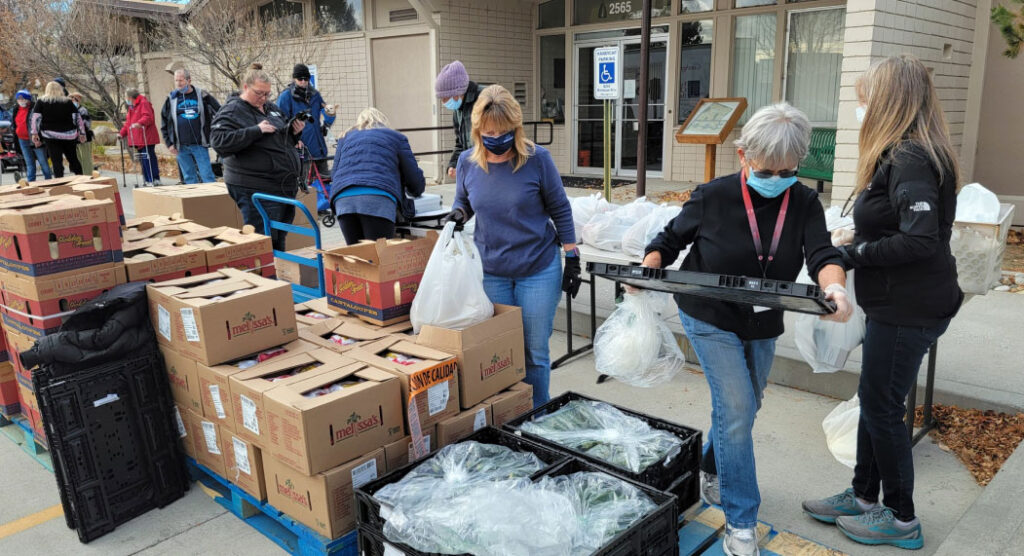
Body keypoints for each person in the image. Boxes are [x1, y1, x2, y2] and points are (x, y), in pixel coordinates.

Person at [640, 103, 852, 556]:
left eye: (786, 170)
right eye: (766, 168)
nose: (775, 179)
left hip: (762, 319)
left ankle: (712, 467)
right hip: (708, 314)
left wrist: (835, 290)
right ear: (743, 156)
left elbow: (822, 254)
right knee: (735, 407)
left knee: (745, 406)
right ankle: (741, 523)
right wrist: (650, 265)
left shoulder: (805, 201)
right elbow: (670, 238)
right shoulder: (713, 195)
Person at [801, 55, 963, 551]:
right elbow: (906, 227)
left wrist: (852, 254)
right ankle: (862, 496)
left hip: (909, 306)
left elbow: (920, 241)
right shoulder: (906, 152)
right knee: (875, 402)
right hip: (897, 302)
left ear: (889, 101)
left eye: (866, 97)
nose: (861, 108)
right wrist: (861, 236)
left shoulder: (911, 157)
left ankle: (901, 518)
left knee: (882, 406)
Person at [443, 85, 580, 409]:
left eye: (504, 132)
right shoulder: (467, 162)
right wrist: (459, 214)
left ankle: (538, 416)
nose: (497, 139)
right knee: (499, 352)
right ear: (478, 130)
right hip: (491, 272)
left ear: (515, 129)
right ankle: (507, 415)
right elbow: (464, 200)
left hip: (537, 268)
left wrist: (572, 255)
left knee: (534, 351)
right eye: (489, 132)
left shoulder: (537, 160)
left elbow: (560, 207)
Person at [210, 63, 306, 251]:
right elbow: (219, 142)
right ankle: (264, 275)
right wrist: (255, 131)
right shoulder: (233, 110)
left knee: (278, 237)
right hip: (255, 186)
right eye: (259, 93)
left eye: (267, 94)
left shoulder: (271, 108)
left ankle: (277, 273)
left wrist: (295, 133)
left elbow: (280, 137)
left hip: (281, 186)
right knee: (262, 239)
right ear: (246, 87)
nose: (263, 98)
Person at [329, 108, 424, 244]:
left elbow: (335, 173)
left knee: (357, 258)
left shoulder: (345, 137)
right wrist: (416, 190)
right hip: (378, 200)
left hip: (344, 201)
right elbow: (413, 177)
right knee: (379, 258)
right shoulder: (395, 137)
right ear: (383, 121)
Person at [277, 63, 336, 189]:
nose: (303, 81)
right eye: (300, 79)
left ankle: (323, 208)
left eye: (306, 79)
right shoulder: (286, 97)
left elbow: (327, 110)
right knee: (305, 188)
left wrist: (326, 125)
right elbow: (280, 122)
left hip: (319, 150)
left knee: (324, 185)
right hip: (301, 152)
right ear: (294, 79)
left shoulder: (315, 95)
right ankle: (309, 208)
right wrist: (293, 139)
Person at [161, 68, 221, 184]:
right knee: (189, 178)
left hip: (199, 144)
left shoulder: (202, 95)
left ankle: (212, 201)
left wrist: (215, 132)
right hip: (180, 147)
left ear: (189, 81)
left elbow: (219, 112)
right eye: (176, 81)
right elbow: (164, 123)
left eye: (181, 80)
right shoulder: (171, 99)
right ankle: (194, 202)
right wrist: (169, 143)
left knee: (207, 176)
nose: (178, 84)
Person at [434, 60, 485, 180]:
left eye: (444, 98)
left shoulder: (485, 99)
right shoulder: (458, 109)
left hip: (490, 170)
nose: (443, 102)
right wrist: (453, 164)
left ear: (456, 93)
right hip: (473, 172)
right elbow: (460, 144)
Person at [30, 81, 85, 178]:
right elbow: (78, 118)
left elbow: (35, 119)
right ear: (61, 90)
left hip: (50, 135)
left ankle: (60, 184)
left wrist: (34, 133)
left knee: (56, 161)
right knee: (73, 159)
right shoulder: (68, 102)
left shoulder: (41, 102)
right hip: (69, 135)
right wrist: (82, 133)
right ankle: (81, 179)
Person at [120, 88, 162, 187]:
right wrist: (122, 133)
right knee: (143, 160)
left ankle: (154, 179)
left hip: (146, 137)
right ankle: (147, 179)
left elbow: (148, 117)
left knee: (148, 158)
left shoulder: (143, 103)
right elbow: (128, 123)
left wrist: (139, 123)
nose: (126, 99)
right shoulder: (132, 107)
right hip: (138, 139)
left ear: (130, 97)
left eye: (126, 97)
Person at [11, 90, 52, 181]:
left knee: (43, 162)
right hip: (22, 139)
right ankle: (31, 182)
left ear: (28, 99)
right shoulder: (16, 109)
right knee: (29, 163)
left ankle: (49, 180)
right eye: (18, 98)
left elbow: (39, 123)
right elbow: (14, 124)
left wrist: (39, 138)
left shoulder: (35, 108)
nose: (20, 100)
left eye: (22, 98)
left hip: (35, 139)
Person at [69, 92, 94, 175]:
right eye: (71, 99)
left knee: (85, 160)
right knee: (78, 160)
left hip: (84, 138)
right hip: (75, 139)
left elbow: (86, 125)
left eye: (75, 99)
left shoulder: (82, 110)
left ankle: (88, 176)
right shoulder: (70, 111)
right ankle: (80, 176)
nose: (73, 101)